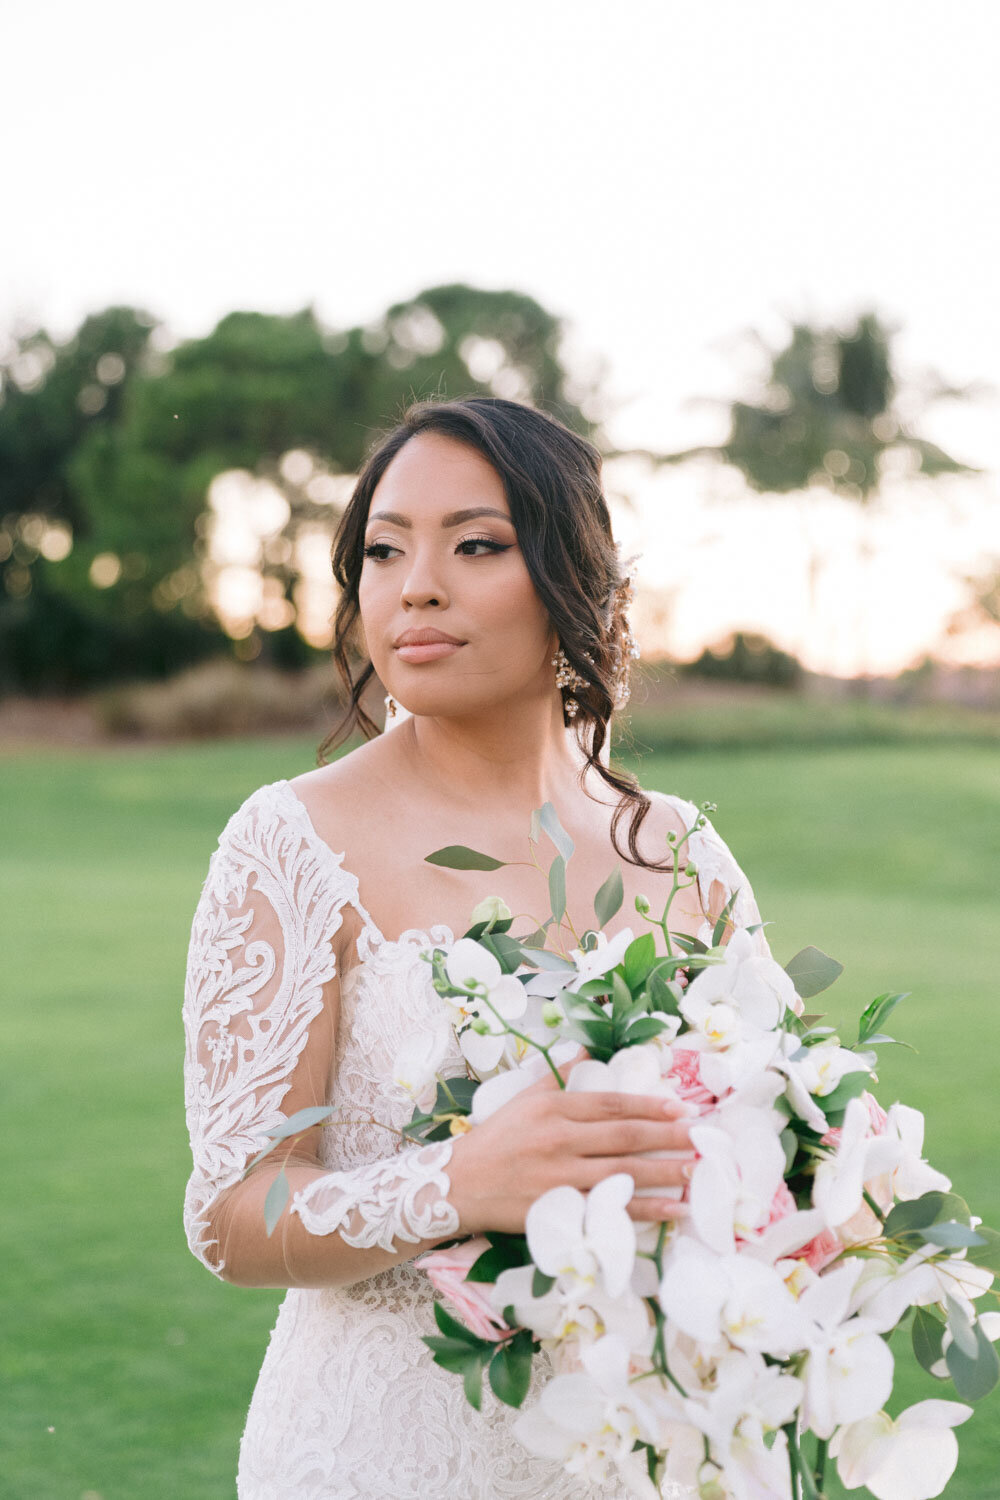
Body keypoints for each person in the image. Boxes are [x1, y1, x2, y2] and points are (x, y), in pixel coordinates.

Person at [181, 397, 771, 1498]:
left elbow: (779, 1128)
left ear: (571, 578)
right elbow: (230, 1211)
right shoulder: (293, 842)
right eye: (384, 550)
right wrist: (457, 1181)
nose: (416, 585)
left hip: (656, 1446)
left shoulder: (676, 847)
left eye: (475, 544)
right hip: (389, 1456)